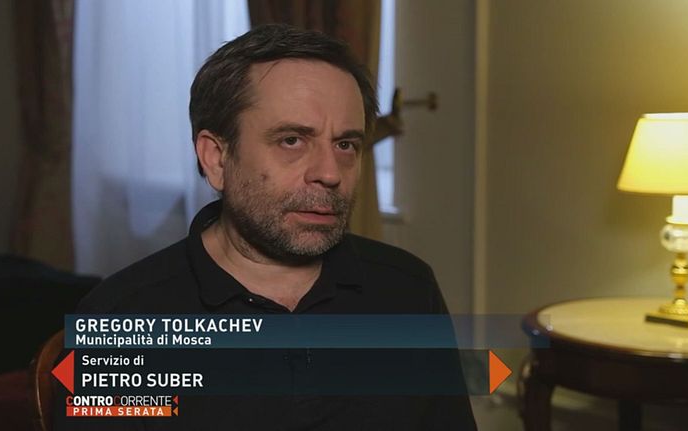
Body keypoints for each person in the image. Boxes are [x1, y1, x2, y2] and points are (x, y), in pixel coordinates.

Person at [62, 24, 476, 430]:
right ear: (216, 158)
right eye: (292, 140)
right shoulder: (121, 320)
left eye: (345, 144)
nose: (330, 173)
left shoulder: (408, 290)